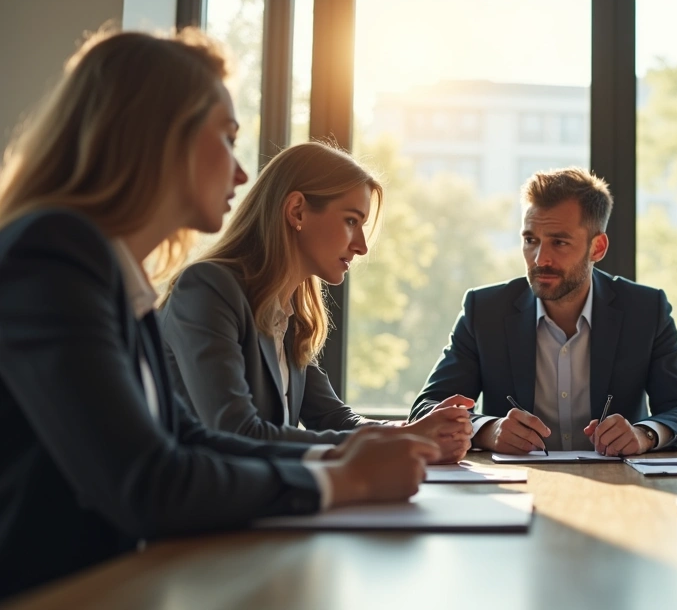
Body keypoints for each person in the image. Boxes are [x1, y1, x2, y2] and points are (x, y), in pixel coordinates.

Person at [0, 29, 437, 598]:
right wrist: (343, 478)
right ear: (159, 135)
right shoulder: (54, 255)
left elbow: (187, 439)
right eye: (227, 139)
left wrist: (344, 454)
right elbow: (150, 481)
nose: (239, 172)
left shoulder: (115, 277)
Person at [160, 142, 472, 462]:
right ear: (297, 211)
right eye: (351, 221)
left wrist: (414, 429)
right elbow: (237, 432)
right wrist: (402, 438)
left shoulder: (291, 315)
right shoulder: (207, 289)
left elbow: (334, 419)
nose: (362, 246)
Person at [411, 167, 677, 455]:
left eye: (559, 242)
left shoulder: (644, 310)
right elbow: (426, 409)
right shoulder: (485, 310)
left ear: (598, 247)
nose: (540, 258)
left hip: (618, 489)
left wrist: (643, 435)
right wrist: (489, 430)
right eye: (531, 240)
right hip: (515, 488)